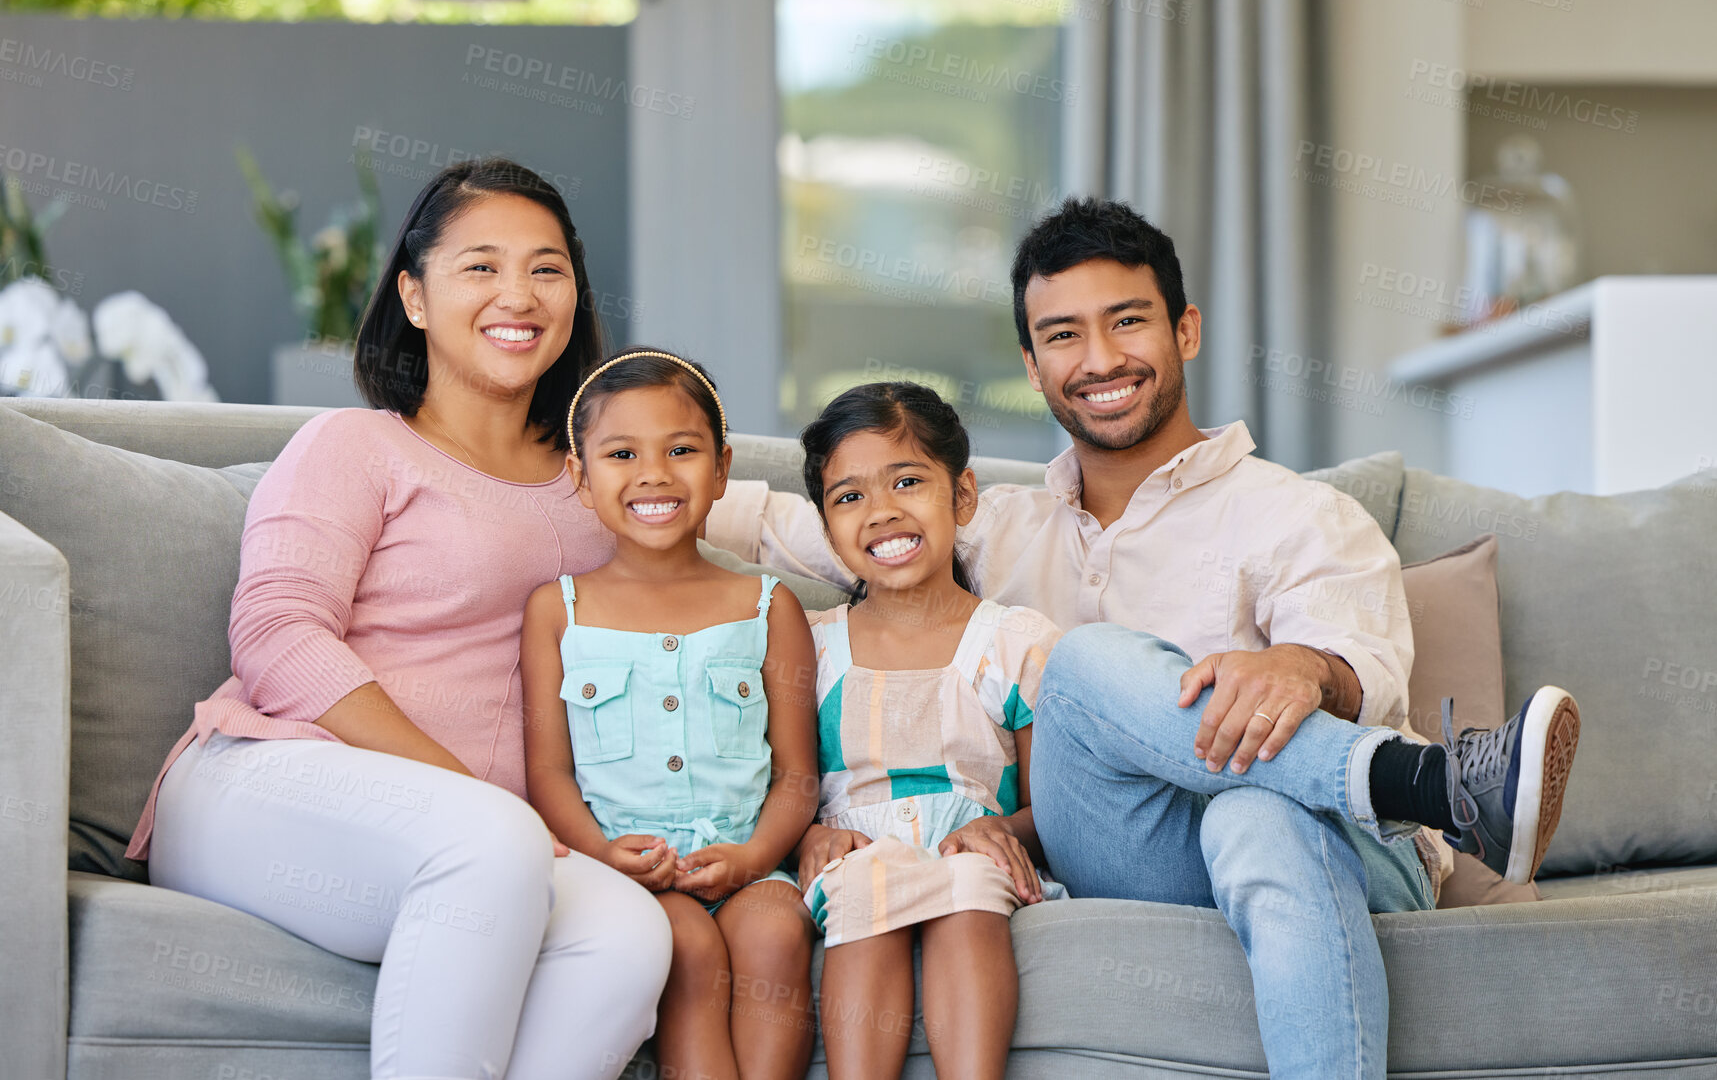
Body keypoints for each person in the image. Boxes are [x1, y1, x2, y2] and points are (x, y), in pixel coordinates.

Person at [705, 197, 1582, 1078]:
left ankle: (1426, 794)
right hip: (1131, 848)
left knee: (1253, 812)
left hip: (1341, 843)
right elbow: (767, 514)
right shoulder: (979, 524)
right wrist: (592, 453)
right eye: (1062, 335)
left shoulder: (1299, 513)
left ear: (1185, 329)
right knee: (1082, 662)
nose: (1097, 361)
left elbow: (1369, 675)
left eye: (1126, 322)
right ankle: (1438, 784)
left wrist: (1301, 667)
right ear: (1031, 362)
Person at [126, 159, 672, 1080]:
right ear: (414, 296)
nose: (519, 294)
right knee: (491, 845)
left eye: (547, 269)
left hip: (481, 837)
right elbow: (276, 634)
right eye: (480, 267)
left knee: (626, 932)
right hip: (265, 780)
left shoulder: (608, 482)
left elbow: (766, 520)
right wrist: (475, 795)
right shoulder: (357, 445)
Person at [520, 347, 821, 1080]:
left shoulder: (767, 606)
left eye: (680, 450)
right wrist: (598, 850)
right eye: (622, 453)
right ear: (579, 478)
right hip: (631, 869)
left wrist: (753, 860)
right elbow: (549, 771)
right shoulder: (557, 611)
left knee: (778, 935)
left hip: (746, 864)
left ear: (720, 470)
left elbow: (797, 778)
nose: (653, 473)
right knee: (683, 948)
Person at [791, 382, 1064, 1080]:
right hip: (857, 848)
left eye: (907, 481)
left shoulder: (1016, 642)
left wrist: (1009, 831)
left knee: (969, 883)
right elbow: (778, 784)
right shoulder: (809, 648)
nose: (881, 512)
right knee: (865, 881)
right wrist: (807, 833)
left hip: (969, 843)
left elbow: (1057, 807)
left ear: (962, 495)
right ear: (826, 528)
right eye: (848, 496)